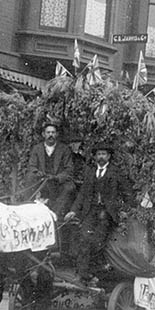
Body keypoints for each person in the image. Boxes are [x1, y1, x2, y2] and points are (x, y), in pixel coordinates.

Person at [67, 143, 131, 284]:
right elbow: (82, 194)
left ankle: (93, 272)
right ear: (95, 157)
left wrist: (124, 210)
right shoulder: (90, 172)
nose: (101, 157)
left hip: (107, 213)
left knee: (97, 241)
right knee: (83, 237)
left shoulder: (116, 172)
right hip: (91, 211)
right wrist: (73, 210)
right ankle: (83, 274)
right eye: (98, 154)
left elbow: (128, 194)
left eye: (104, 154)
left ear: (108, 156)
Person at [25, 120, 75, 215]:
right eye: (48, 132)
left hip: (57, 183)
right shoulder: (37, 148)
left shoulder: (64, 149)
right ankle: (29, 209)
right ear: (43, 134)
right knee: (29, 177)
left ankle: (54, 214)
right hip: (42, 181)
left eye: (53, 132)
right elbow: (32, 166)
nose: (50, 135)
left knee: (70, 187)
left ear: (57, 134)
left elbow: (69, 169)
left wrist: (57, 177)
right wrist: (37, 172)